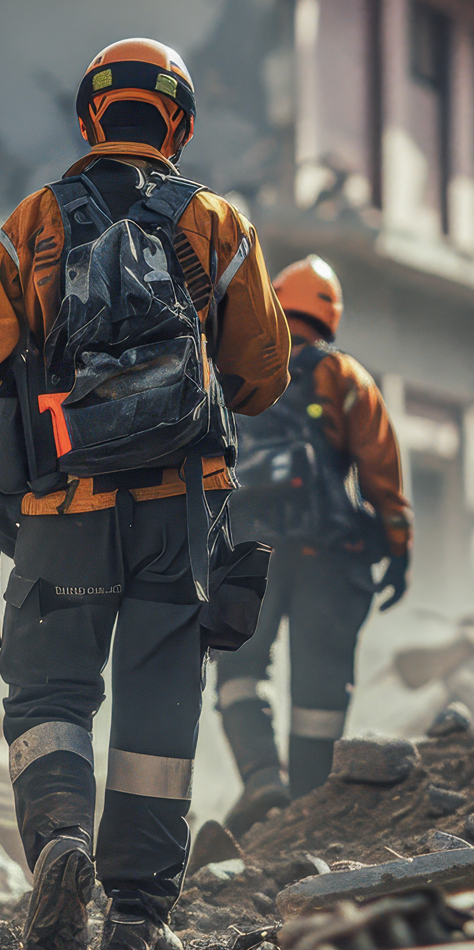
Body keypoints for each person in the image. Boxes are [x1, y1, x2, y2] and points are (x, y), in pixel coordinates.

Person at [0, 38, 290, 950]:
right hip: (178, 515)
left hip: (64, 508)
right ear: (177, 120)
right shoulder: (217, 223)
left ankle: (61, 836)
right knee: (156, 712)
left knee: (50, 693)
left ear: (91, 117)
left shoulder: (33, 222)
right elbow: (261, 375)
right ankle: (137, 915)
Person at [218, 255, 412, 835]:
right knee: (320, 690)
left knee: (239, 670)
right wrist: (397, 545)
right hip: (329, 555)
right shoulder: (344, 377)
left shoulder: (237, 371)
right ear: (330, 315)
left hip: (251, 552)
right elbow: (382, 470)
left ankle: (260, 777)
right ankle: (305, 812)